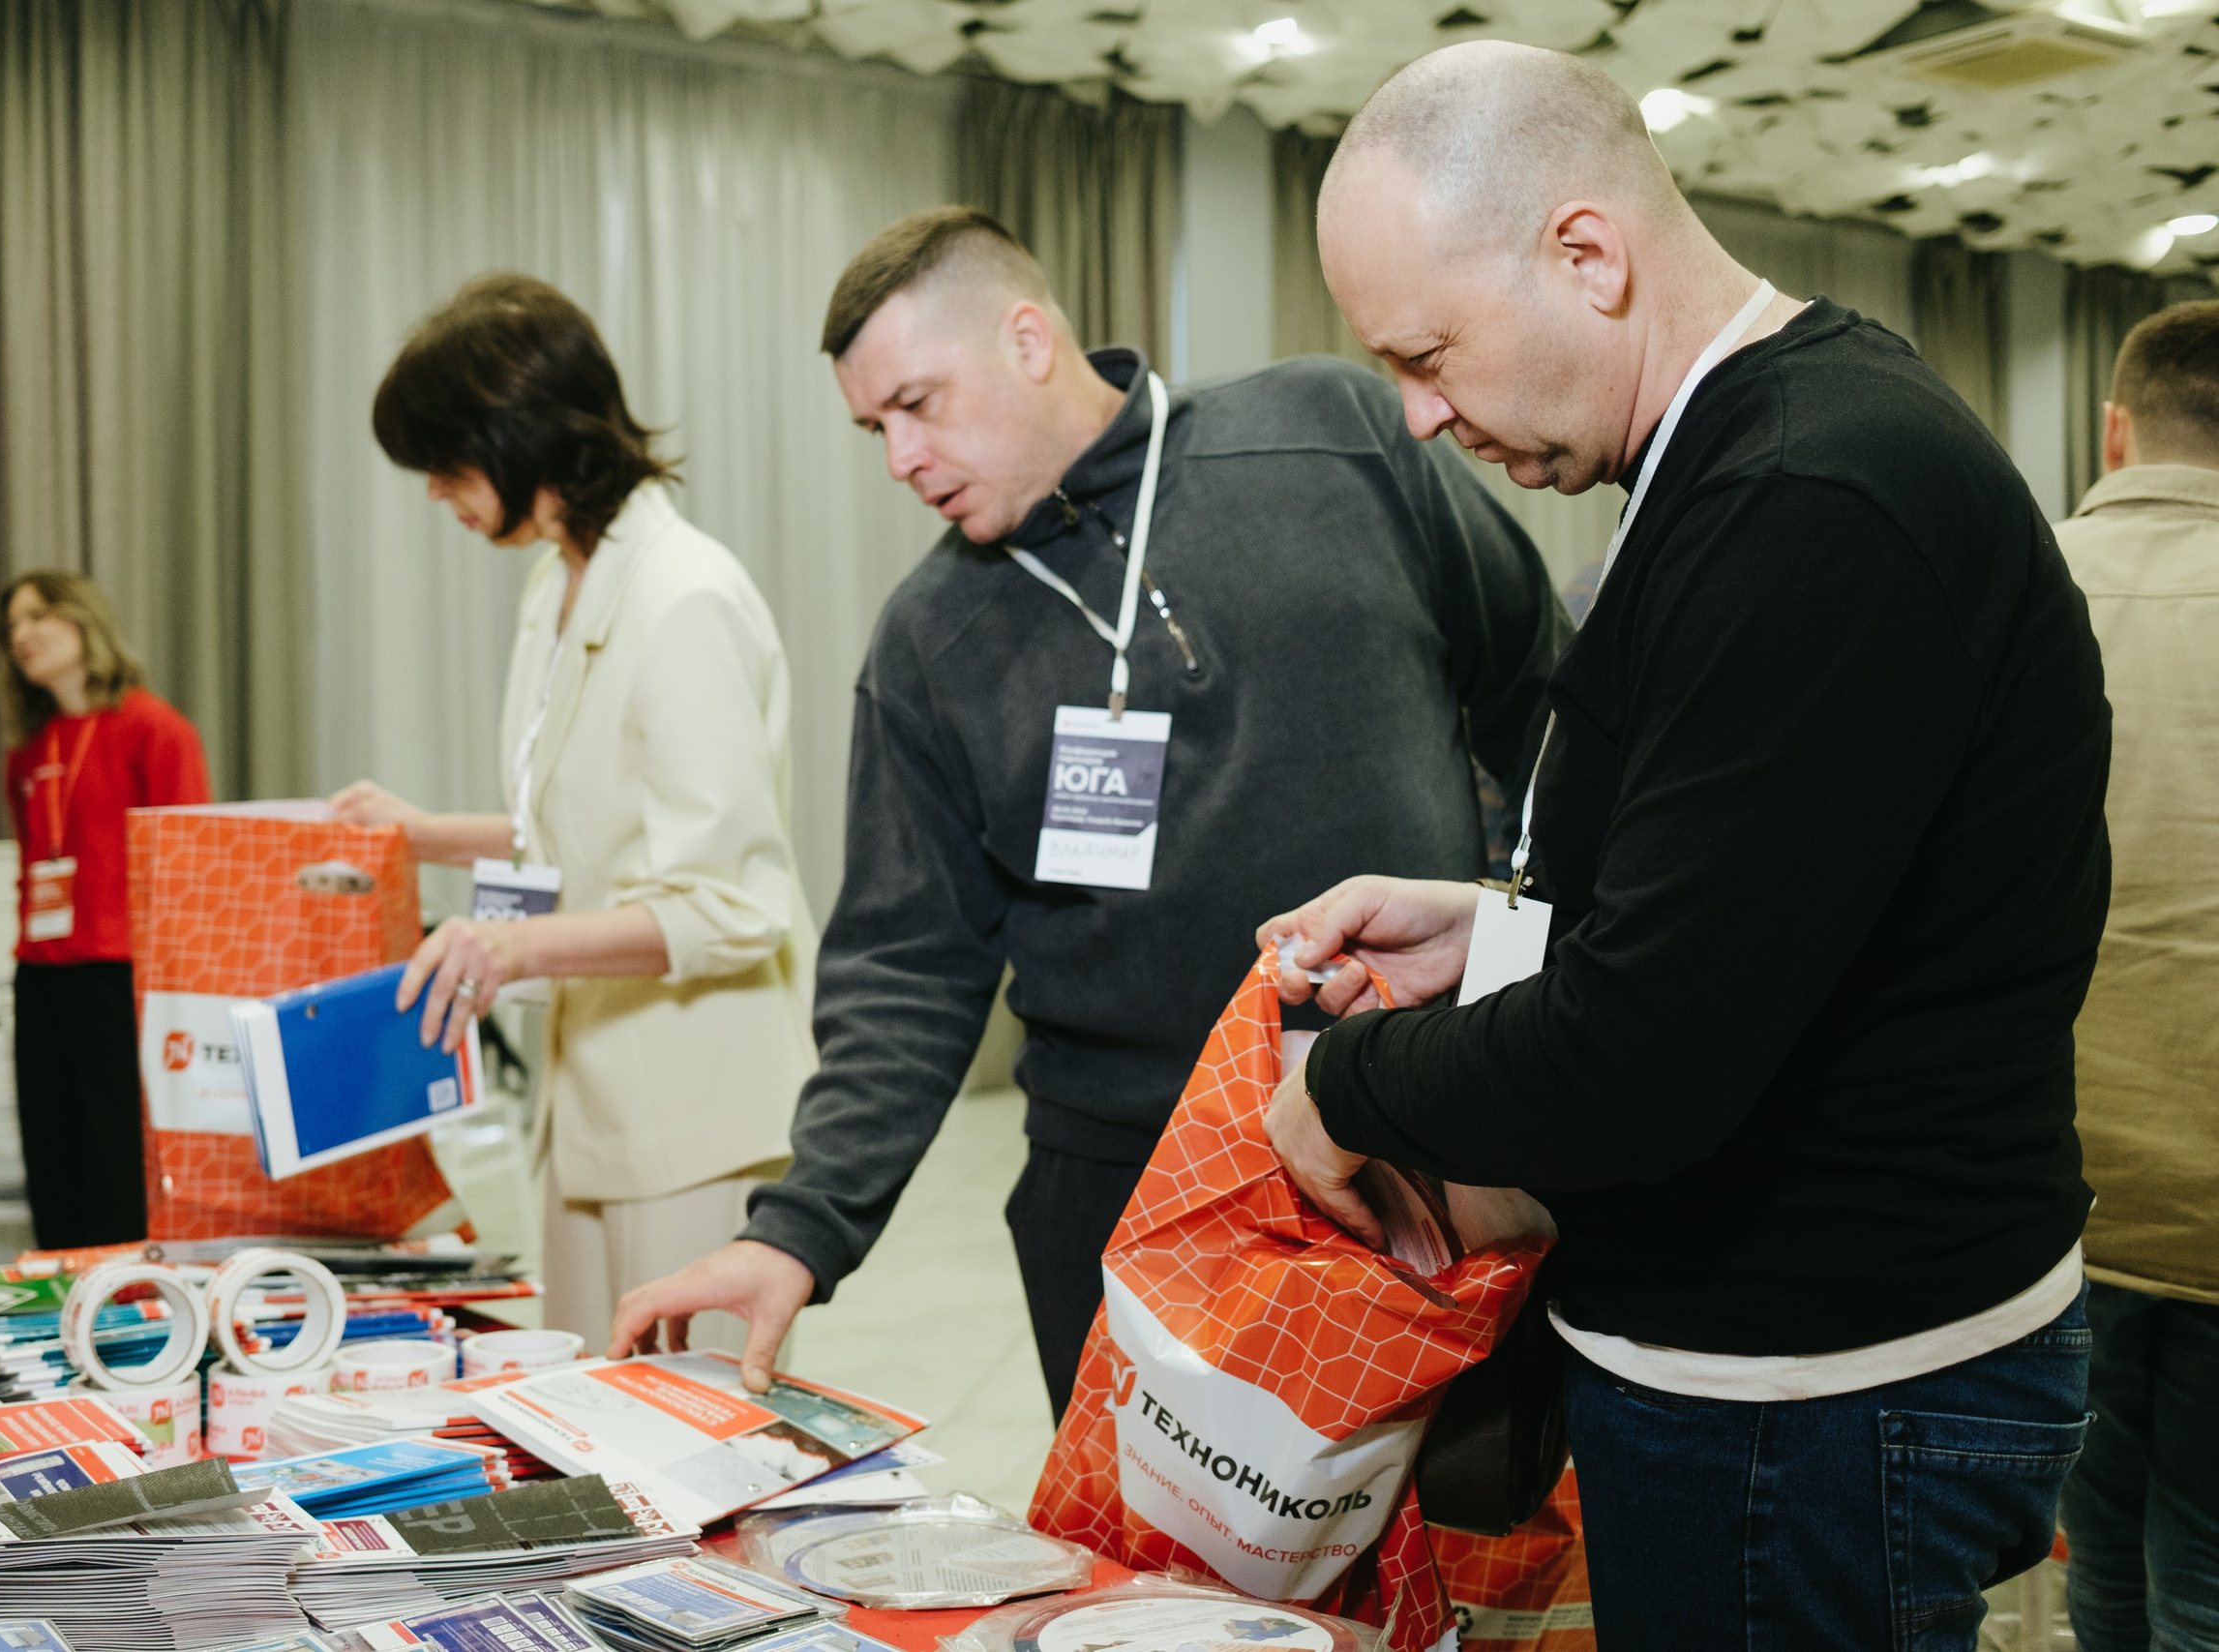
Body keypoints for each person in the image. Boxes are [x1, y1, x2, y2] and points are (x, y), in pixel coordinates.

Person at [1258, 44, 2108, 1648]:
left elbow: (1647, 1053)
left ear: (1589, 254)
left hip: (1816, 1394)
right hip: (1810, 1370)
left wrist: (1340, 1092)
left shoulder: (1808, 498)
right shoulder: (1750, 451)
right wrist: (1498, 923)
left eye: (1430, 352)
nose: (1423, 417)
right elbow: (1769, 892)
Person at [612, 207, 1568, 1408]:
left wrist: (1541, 951)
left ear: (1025, 338)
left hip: (1411, 1133)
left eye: (917, 403)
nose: (900, 458)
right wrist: (797, 1231)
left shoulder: (1332, 432)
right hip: (1119, 1186)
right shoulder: (928, 643)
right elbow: (905, 967)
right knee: (1143, 1589)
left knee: (1459, 1564)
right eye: (874, 428)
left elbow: (1537, 693)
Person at [333, 273, 812, 1356]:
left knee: (688, 1437)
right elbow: (589, 822)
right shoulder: (558, 585)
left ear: (518, 437)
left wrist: (509, 946)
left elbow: (731, 902)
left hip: (691, 1113)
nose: (432, 495)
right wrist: (429, 835)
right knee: (587, 1408)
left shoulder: (682, 596)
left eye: (443, 464)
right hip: (594, 1094)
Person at [2051, 302, 2219, 1652]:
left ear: (2116, 426)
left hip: (2059, 1181)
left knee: (2096, 1545)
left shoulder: (2018, 581)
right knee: (2210, 1572)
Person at [0, 570, 209, 1247]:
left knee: (116, 1158)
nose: (21, 637)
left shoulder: (155, 729)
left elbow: (188, 865)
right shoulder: (28, 751)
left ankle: (125, 1313)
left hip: (121, 975)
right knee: (51, 1155)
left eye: (37, 617)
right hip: (41, 974)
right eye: (12, 628)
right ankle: (64, 1310)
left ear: (83, 619)